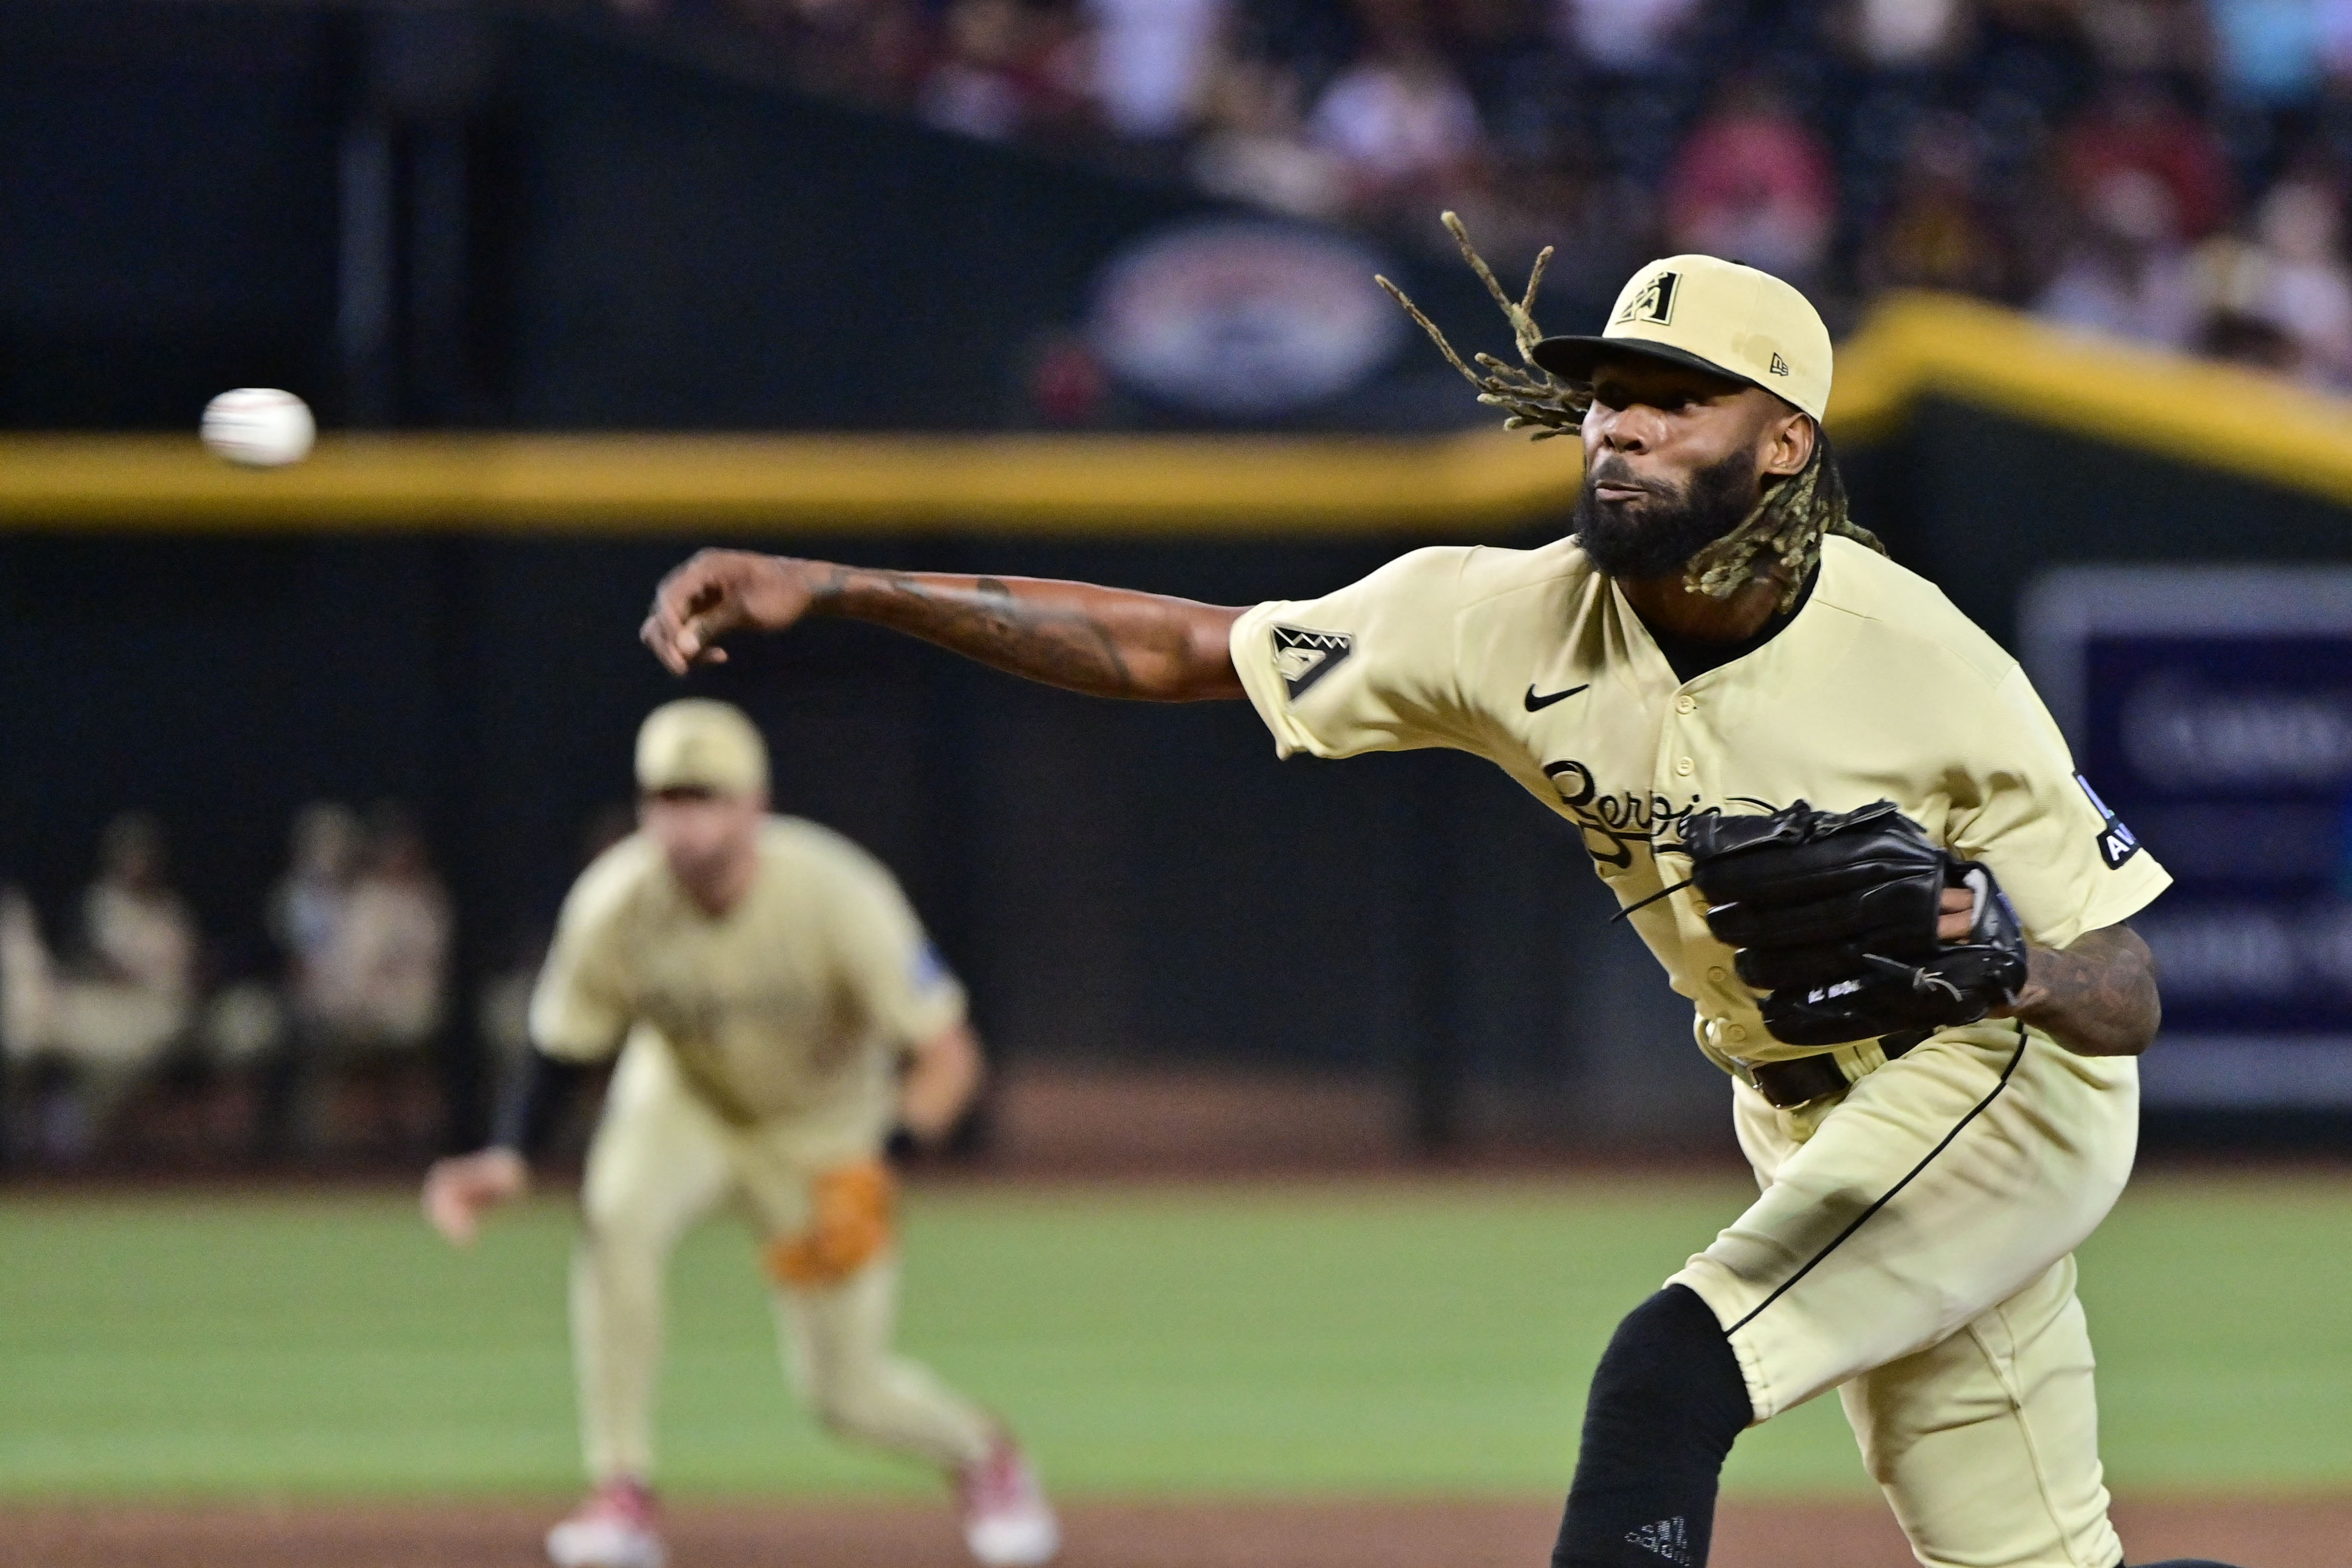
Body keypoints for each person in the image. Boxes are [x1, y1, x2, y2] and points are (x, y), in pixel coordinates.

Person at [637, 243, 2243, 1568]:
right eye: (1606, 395)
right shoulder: (1502, 619)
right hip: (1805, 1118)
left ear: (1784, 444)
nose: (1618, 427)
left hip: (1996, 1089)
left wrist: (2001, 956)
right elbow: (1178, 649)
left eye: (1675, 401)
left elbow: (2127, 996)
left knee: (1667, 1373)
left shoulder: (1929, 664)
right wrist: (846, 589)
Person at [421, 700, 1057, 1568]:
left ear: (755, 803)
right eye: (665, 799)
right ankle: (622, 1490)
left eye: (705, 797)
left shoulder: (837, 893)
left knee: (845, 1395)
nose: (683, 822)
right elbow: (565, 1042)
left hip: (826, 1133)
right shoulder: (616, 901)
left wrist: (883, 1161)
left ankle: (986, 1457)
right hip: (684, 1105)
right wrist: (508, 1151)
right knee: (616, 1225)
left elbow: (949, 1055)